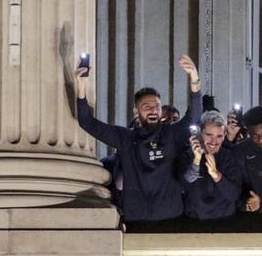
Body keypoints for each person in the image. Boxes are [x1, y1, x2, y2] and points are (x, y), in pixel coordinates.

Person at [75, 55, 203, 225]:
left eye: (157, 107)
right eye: (147, 107)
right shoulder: (126, 138)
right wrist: (81, 85)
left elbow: (194, 115)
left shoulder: (171, 133)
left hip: (171, 216)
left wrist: (194, 77)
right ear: (136, 112)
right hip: (136, 217)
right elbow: (87, 123)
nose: (153, 110)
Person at [181, 111, 242, 222]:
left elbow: (234, 195)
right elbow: (183, 185)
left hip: (225, 220)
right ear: (200, 134)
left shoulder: (229, 157)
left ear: (224, 136)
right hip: (194, 221)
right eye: (209, 135)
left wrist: (217, 175)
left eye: (219, 136)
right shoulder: (187, 155)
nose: (214, 141)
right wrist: (196, 160)